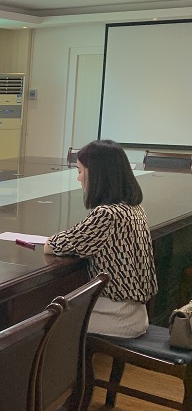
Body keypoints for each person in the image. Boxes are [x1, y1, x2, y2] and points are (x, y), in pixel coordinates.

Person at [44, 140, 157, 338]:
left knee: (45, 325)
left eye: (80, 171)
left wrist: (52, 239)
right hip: (135, 312)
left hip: (119, 316)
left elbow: (53, 245)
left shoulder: (107, 214)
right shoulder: (133, 208)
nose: (78, 178)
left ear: (97, 175)